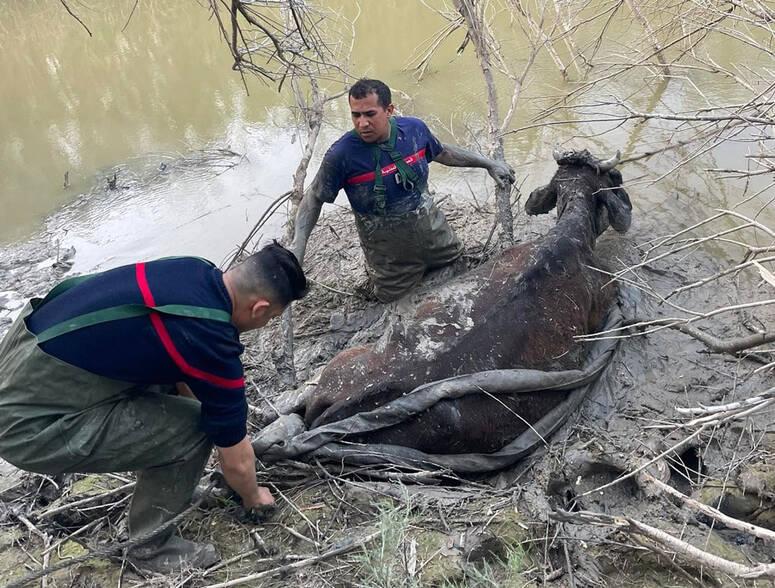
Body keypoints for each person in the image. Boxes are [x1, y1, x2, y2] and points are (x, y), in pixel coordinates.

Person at [0, 243, 306, 573]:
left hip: (17, 373)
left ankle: (160, 479)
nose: (267, 323)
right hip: (26, 427)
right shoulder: (211, 339)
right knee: (194, 430)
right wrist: (254, 497)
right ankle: (149, 549)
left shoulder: (194, 269)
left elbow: (183, 377)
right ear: (259, 309)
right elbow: (233, 454)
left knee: (182, 408)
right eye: (272, 318)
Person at [291, 78, 516, 302]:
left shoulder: (413, 130)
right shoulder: (341, 155)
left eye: (370, 114)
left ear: (389, 110)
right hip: (390, 259)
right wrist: (298, 249)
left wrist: (489, 164)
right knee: (397, 306)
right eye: (355, 115)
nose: (362, 123)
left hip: (436, 236)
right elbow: (313, 198)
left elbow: (443, 152)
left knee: (461, 275)